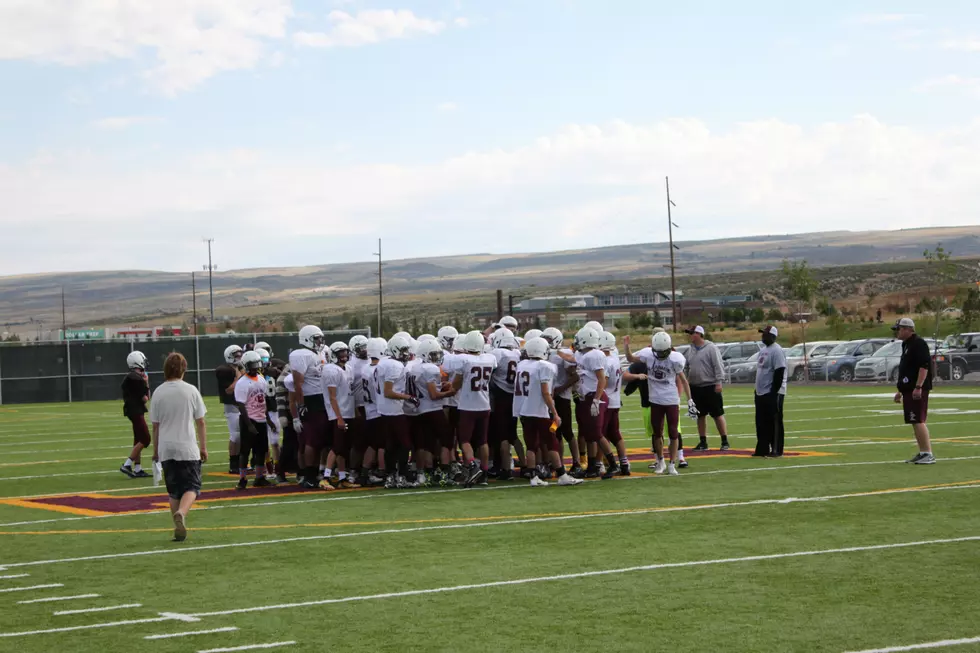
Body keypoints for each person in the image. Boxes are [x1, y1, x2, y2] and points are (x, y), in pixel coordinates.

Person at [150, 352, 207, 542]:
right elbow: (201, 422)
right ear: (184, 369)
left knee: (174, 490)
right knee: (192, 486)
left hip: (166, 447)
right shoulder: (191, 390)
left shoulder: (158, 392)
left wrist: (155, 451)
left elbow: (156, 426)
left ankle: (178, 527)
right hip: (187, 446)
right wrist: (203, 447)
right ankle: (182, 513)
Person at [516, 337, 583, 487]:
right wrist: (555, 412)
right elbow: (546, 393)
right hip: (540, 411)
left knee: (531, 445)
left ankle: (533, 477)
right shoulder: (545, 366)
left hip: (525, 409)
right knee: (552, 443)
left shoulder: (521, 365)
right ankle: (562, 475)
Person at [624, 332, 694, 476]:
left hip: (671, 399)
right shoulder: (648, 354)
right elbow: (631, 358)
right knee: (657, 433)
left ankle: (672, 464)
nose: (661, 355)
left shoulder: (676, 359)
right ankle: (660, 461)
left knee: (674, 433)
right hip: (655, 400)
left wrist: (690, 400)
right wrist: (626, 346)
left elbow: (683, 380)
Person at [450, 330, 498, 487]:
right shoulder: (490, 359)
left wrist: (446, 389)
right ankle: (484, 473)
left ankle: (472, 465)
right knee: (483, 441)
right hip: (484, 405)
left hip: (468, 406)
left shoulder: (464, 360)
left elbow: (455, 385)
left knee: (464, 440)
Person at [892, 318, 936, 464]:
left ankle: (928, 454)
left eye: (898, 329)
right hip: (908, 388)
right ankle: (923, 452)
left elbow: (924, 366)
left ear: (907, 329)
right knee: (913, 420)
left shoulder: (918, 344)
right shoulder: (906, 344)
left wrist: (918, 387)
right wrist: (900, 390)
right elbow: (907, 368)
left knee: (918, 420)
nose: (896, 332)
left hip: (916, 389)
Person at [289, 325, 327, 489]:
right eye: (316, 338)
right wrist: (302, 405)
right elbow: (298, 383)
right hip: (311, 400)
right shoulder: (301, 354)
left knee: (319, 440)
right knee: (312, 440)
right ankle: (309, 475)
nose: (320, 341)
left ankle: (316, 473)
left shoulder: (316, 354)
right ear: (307, 338)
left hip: (321, 399)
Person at [233, 351, 276, 489]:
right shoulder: (242, 383)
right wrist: (249, 424)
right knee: (245, 452)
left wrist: (268, 420)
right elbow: (240, 404)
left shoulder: (262, 380)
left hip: (261, 419)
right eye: (252, 365)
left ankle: (259, 477)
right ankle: (242, 479)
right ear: (246, 365)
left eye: (256, 365)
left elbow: (263, 401)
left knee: (261, 451)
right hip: (249, 419)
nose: (255, 368)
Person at [683, 326, 730, 451]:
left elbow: (718, 365)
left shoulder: (711, 348)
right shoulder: (690, 350)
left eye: (692, 333)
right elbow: (687, 367)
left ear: (699, 334)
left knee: (717, 414)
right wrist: (687, 380)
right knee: (700, 415)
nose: (690, 336)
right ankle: (703, 441)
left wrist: (719, 382)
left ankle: (724, 440)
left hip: (710, 385)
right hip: (695, 387)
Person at [754, 325, 787, 457]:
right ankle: (762, 448)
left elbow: (779, 371)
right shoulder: (763, 350)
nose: (763, 336)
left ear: (773, 336)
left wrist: (774, 391)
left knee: (774, 421)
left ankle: (776, 449)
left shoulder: (777, 350)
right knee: (761, 422)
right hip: (761, 391)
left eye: (765, 334)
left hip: (773, 392)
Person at [120, 351, 151, 478]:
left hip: (131, 410)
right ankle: (127, 464)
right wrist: (146, 382)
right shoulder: (137, 378)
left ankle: (137, 468)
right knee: (146, 439)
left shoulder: (130, 377)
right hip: (136, 410)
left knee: (138, 438)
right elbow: (146, 398)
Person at [215, 345, 244, 474]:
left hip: (243, 404)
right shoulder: (224, 370)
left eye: (240, 355)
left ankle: (241, 462)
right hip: (232, 405)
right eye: (236, 355)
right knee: (235, 436)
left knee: (243, 436)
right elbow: (229, 390)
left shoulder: (240, 368)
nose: (239, 358)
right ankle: (233, 464)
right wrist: (239, 377)